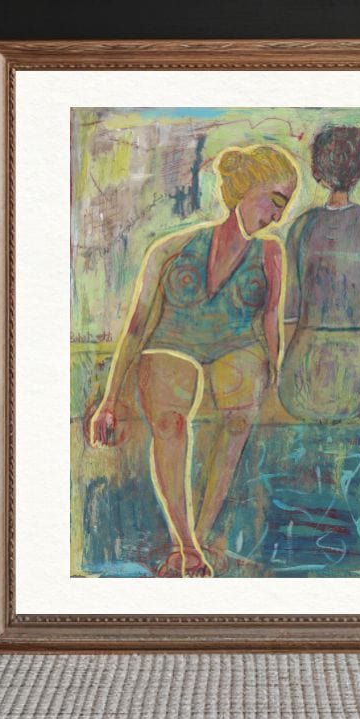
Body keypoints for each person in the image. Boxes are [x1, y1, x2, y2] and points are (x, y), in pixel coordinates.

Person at [89, 144, 299, 577]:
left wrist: (276, 375)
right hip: (173, 342)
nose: (277, 216)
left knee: (238, 412)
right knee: (169, 416)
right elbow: (137, 326)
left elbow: (270, 320)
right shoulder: (171, 248)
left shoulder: (271, 254)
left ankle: (192, 544)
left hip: (236, 346)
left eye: (284, 207)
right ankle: (186, 544)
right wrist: (109, 401)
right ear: (245, 188)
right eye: (274, 201)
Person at [278, 125, 360, 423]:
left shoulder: (301, 228)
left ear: (318, 171)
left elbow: (290, 313)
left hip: (306, 368)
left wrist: (287, 362)